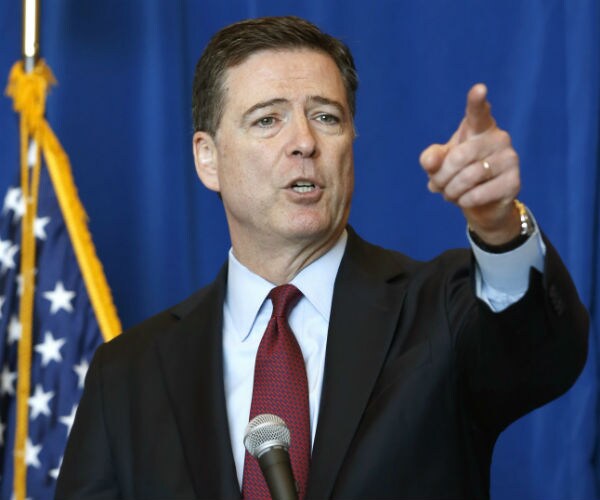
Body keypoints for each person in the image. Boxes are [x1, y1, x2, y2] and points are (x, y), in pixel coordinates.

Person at [56, 15, 588, 500]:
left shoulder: (440, 310)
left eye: (326, 117)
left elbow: (543, 358)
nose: (304, 142)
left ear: (351, 141)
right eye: (268, 120)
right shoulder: (126, 376)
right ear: (207, 158)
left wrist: (498, 226)